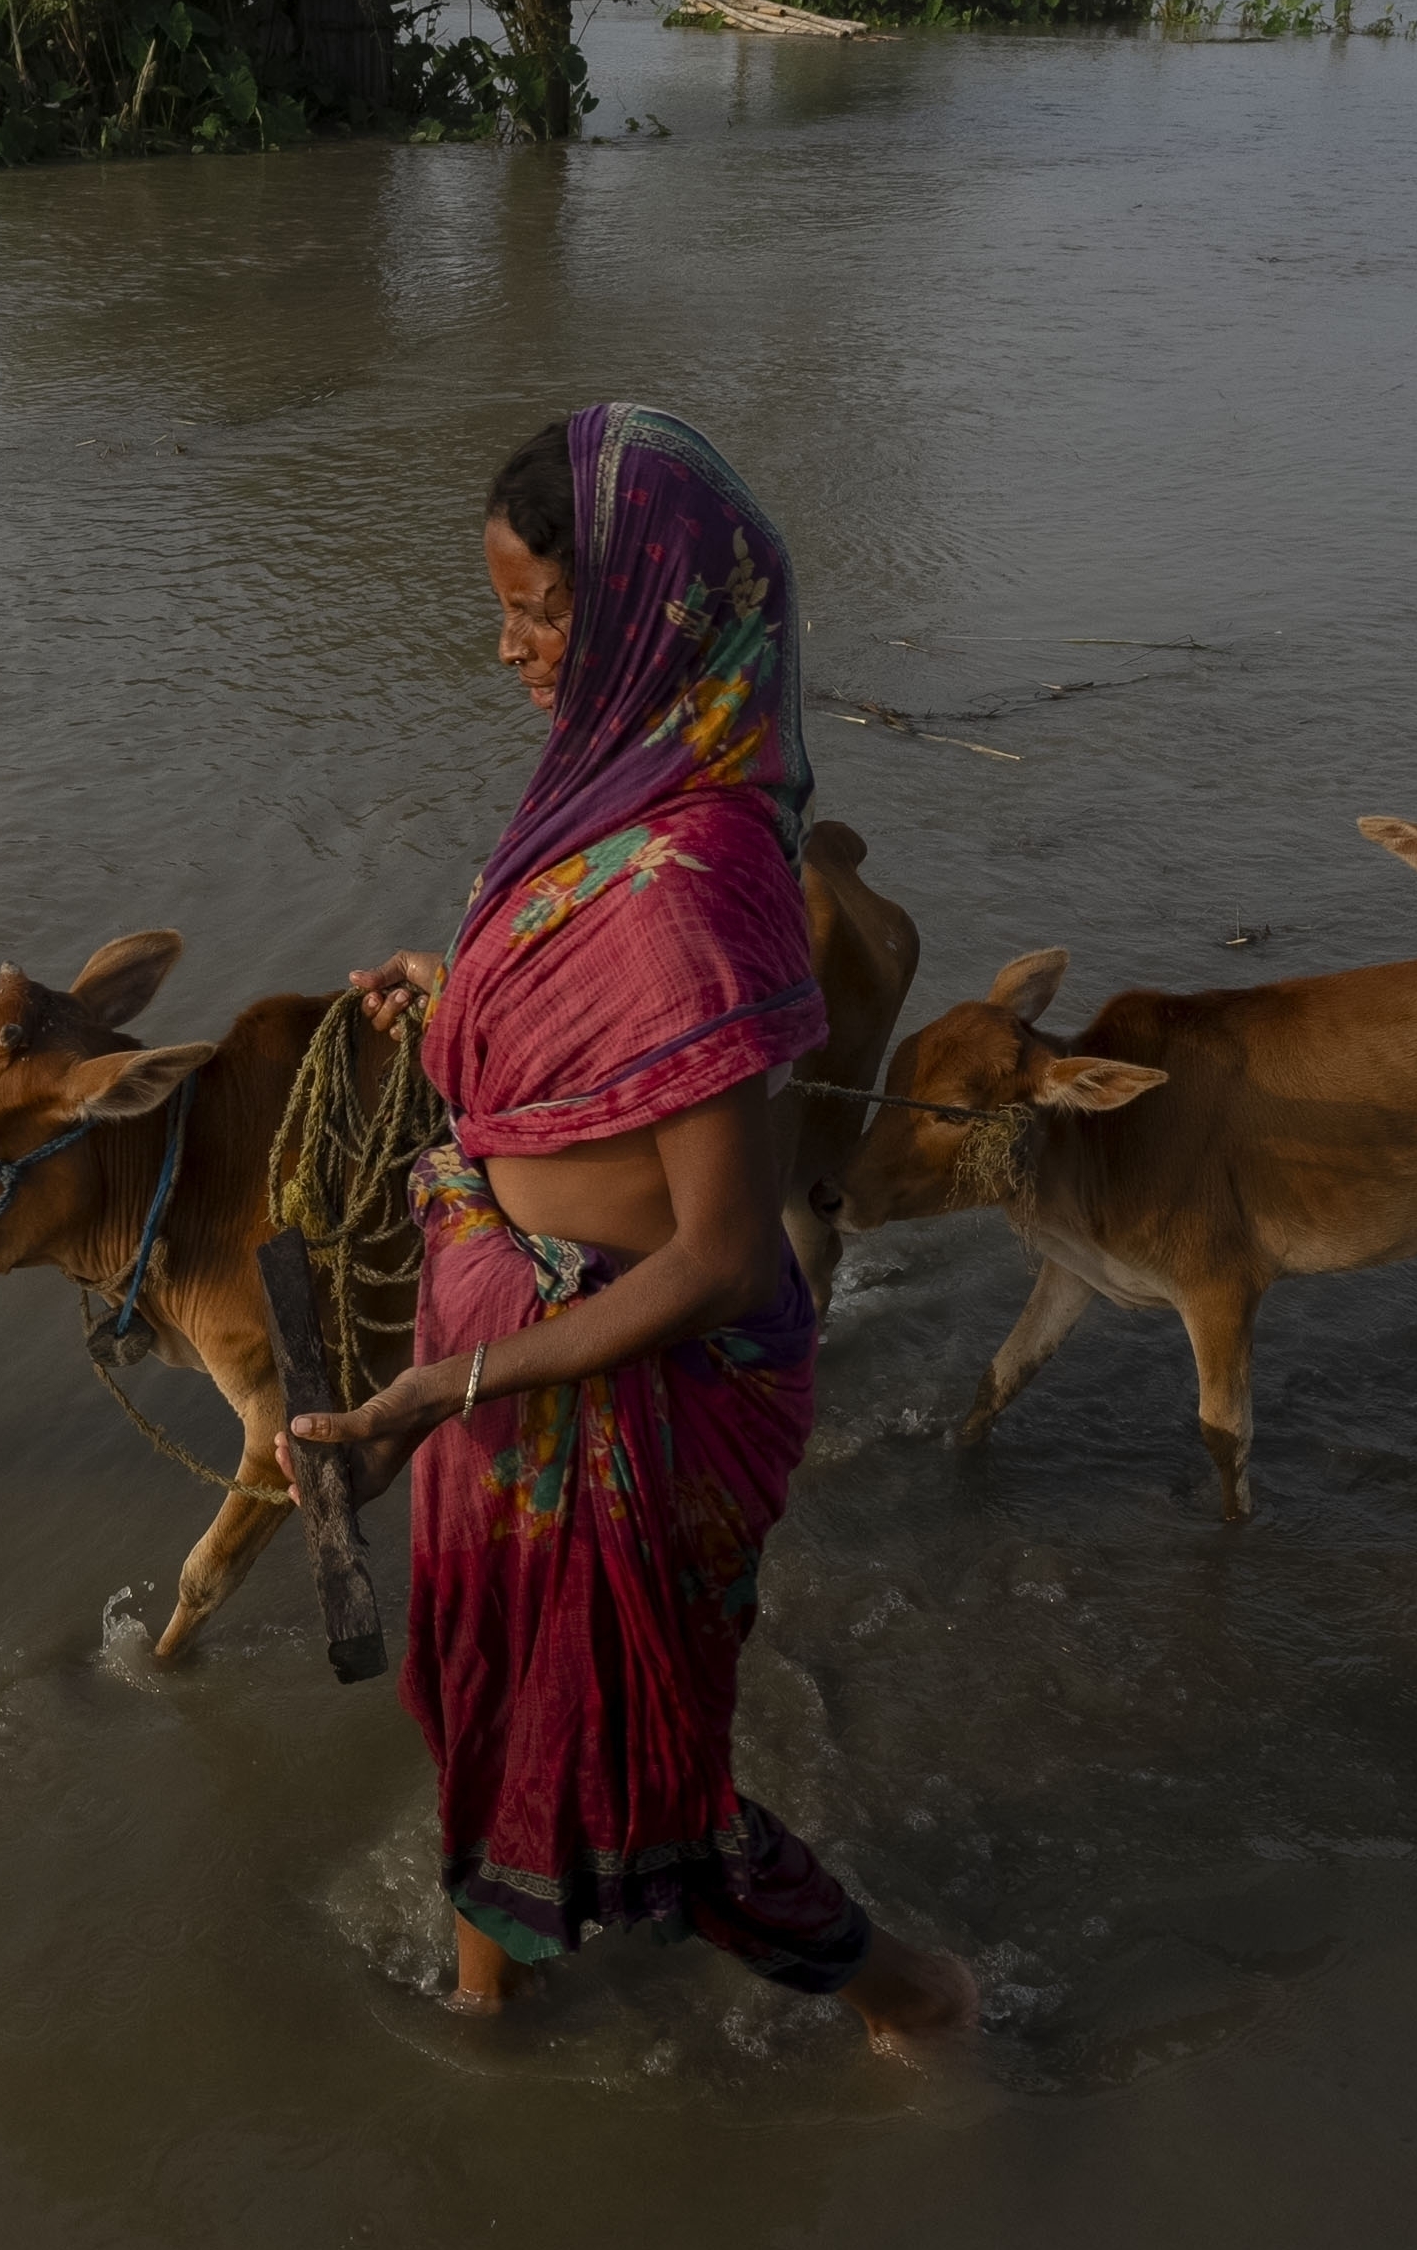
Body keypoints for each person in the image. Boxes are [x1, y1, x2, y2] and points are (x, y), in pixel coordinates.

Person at [283, 407, 973, 2049]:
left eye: (538, 614)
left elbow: (723, 1258)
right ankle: (480, 2006)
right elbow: (593, 1042)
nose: (507, 648)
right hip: (509, 1359)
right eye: (504, 607)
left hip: (619, 1395)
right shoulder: (600, 794)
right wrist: (454, 1003)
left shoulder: (695, 875)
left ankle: (917, 2003)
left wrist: (435, 1395)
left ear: (651, 615)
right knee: (483, 1696)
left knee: (656, 1788)